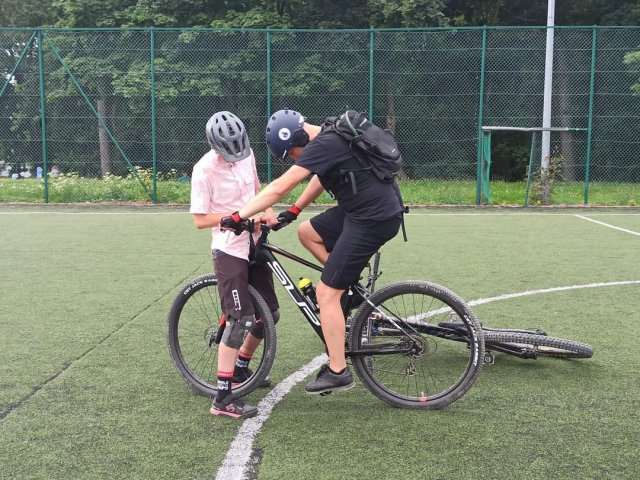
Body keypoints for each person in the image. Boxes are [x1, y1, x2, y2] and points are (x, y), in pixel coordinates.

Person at [221, 109, 404, 396]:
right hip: (365, 209)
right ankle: (347, 282)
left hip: (372, 218)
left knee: (325, 294)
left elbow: (281, 186)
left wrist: (238, 215)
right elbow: (321, 175)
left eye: (291, 152)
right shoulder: (330, 133)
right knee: (307, 232)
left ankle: (338, 371)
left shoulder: (325, 143)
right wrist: (295, 211)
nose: (294, 157)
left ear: (297, 137)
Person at [190, 111, 280, 419]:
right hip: (229, 250)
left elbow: (257, 192)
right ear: (215, 146)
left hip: (255, 241)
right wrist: (231, 220)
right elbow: (200, 220)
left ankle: (241, 369)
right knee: (239, 319)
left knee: (271, 313)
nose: (235, 153)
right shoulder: (203, 170)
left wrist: (268, 210)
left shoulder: (248, 155)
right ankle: (222, 398)